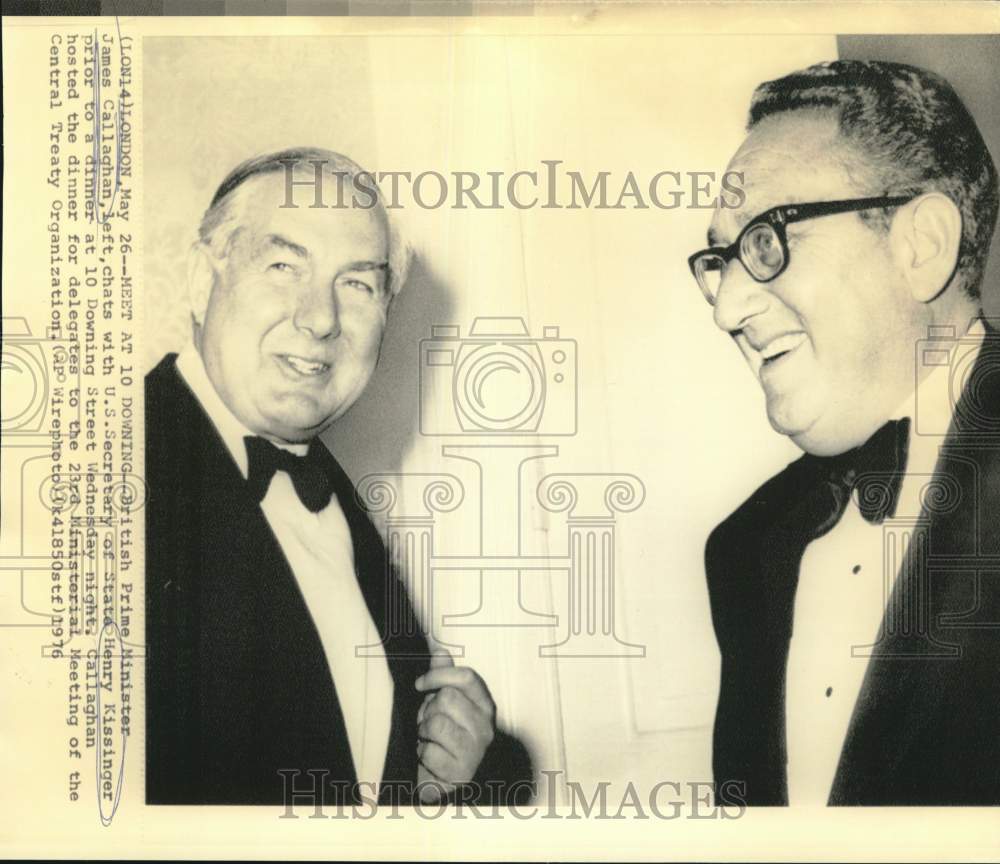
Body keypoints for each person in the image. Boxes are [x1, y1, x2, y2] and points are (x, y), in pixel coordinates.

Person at [145, 148, 530, 806]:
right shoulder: (104, 483)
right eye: (283, 266)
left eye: (358, 284)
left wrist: (462, 773)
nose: (321, 319)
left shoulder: (336, 502)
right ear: (200, 279)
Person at [689, 61, 1000, 805]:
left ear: (920, 244)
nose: (726, 308)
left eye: (766, 240)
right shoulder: (743, 547)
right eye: (719, 262)